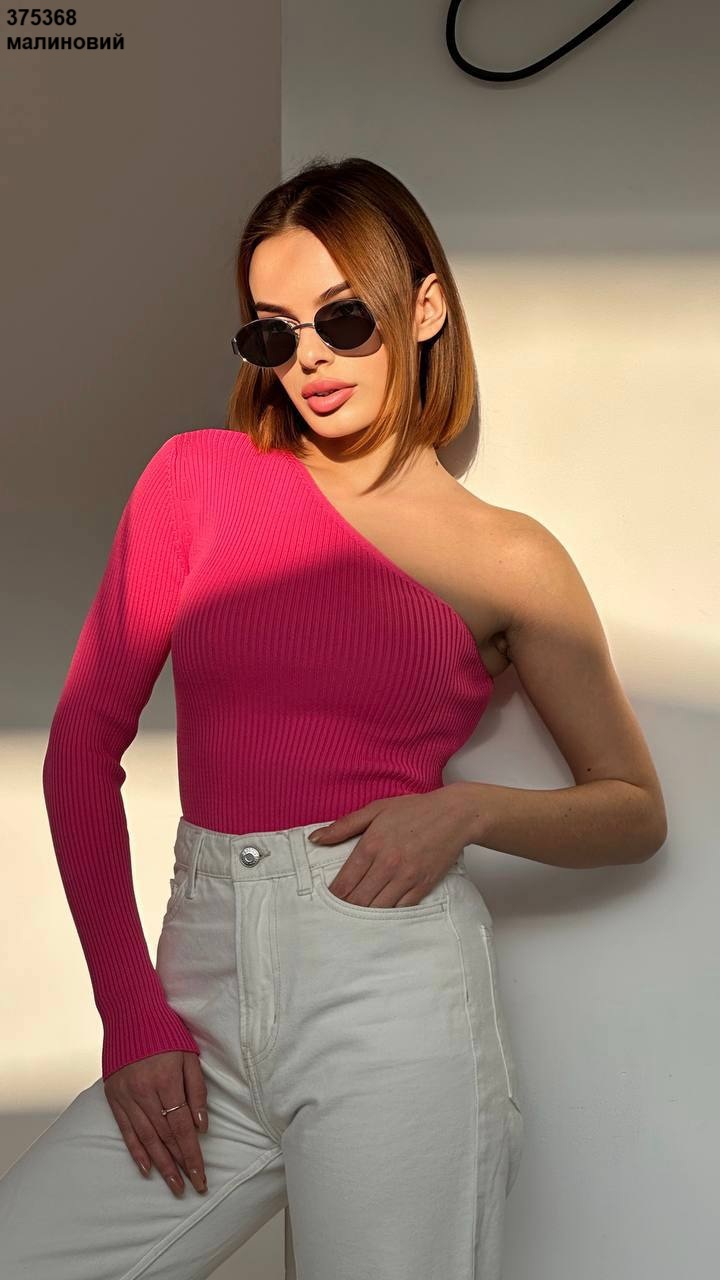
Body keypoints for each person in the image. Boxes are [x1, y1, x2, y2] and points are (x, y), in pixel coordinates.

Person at [0, 156, 667, 1280]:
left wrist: (464, 811)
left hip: (392, 996)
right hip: (199, 983)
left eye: (343, 318)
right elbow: (78, 748)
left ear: (424, 307)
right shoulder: (195, 481)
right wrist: (131, 1012)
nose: (308, 357)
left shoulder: (508, 557)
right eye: (273, 332)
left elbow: (633, 807)